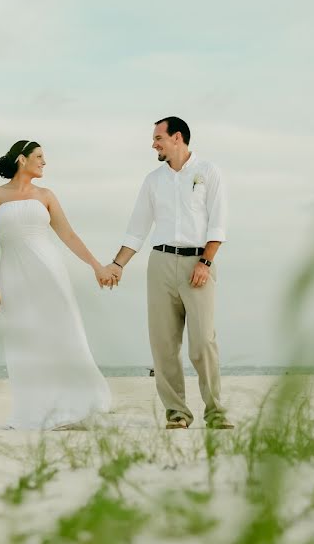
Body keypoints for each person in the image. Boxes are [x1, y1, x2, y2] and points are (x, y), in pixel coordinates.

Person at [104, 117, 233, 429]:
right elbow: (137, 229)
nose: (154, 144)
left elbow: (218, 224)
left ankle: (216, 412)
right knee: (163, 344)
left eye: (158, 138)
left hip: (197, 263)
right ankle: (177, 413)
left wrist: (206, 262)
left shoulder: (208, 172)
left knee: (203, 342)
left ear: (177, 137)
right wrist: (117, 264)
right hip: (160, 263)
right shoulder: (153, 180)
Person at [0, 140, 114, 430]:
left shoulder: (46, 196)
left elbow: (68, 236)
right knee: (24, 340)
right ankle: (33, 408)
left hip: (49, 271)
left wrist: (97, 266)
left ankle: (77, 403)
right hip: (13, 276)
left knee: (63, 331)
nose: (44, 162)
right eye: (39, 156)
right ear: (21, 160)